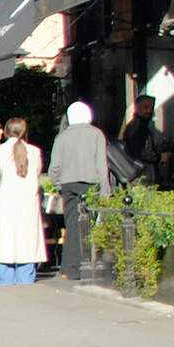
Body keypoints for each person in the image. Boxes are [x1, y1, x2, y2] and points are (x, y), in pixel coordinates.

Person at [49, 102, 112, 279]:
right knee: (86, 225)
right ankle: (84, 265)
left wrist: (60, 185)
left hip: (68, 185)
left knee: (71, 224)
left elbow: (55, 167)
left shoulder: (61, 137)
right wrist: (105, 191)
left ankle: (69, 266)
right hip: (90, 184)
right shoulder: (96, 134)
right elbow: (101, 165)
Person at [0, 115, 48, 284]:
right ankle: (26, 277)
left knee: (5, 240)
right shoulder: (35, 151)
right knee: (27, 240)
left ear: (6, 132)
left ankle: (4, 278)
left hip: (5, 199)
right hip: (28, 200)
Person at [119, 93, 160, 181]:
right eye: (146, 107)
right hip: (141, 176)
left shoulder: (141, 126)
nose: (149, 111)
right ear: (137, 108)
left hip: (142, 175)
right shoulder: (137, 127)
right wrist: (159, 157)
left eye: (151, 108)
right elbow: (139, 151)